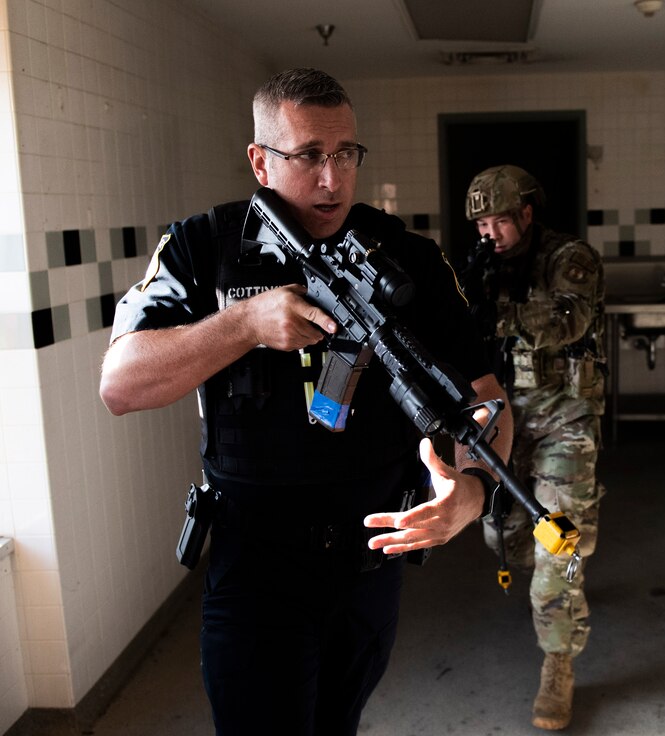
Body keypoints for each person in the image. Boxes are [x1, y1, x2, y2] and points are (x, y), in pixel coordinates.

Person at [99, 68, 511, 736]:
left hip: (371, 560)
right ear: (261, 162)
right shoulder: (204, 248)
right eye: (309, 156)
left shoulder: (409, 259)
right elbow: (120, 385)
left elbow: (486, 398)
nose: (332, 178)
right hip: (255, 567)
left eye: (346, 154)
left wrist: (473, 489)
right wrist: (242, 326)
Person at [461, 165, 606, 731]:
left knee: (558, 547)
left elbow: (569, 322)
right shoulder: (481, 264)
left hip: (563, 421)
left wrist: (493, 310)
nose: (490, 234)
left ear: (526, 214)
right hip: (503, 425)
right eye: (481, 225)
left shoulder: (569, 258)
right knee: (502, 535)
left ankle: (559, 663)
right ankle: (561, 571)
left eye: (499, 221)